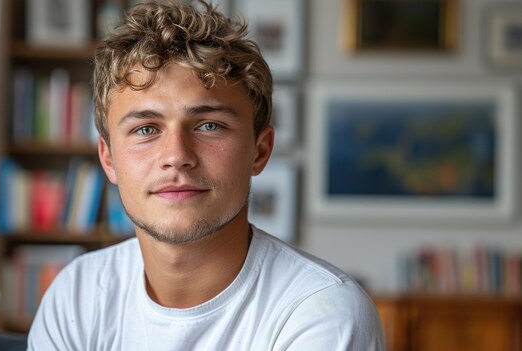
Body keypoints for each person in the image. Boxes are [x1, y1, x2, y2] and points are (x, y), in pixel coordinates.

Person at [28, 1, 384, 349]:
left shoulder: (321, 311)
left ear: (259, 151)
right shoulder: (77, 294)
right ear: (108, 159)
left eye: (209, 125)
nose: (176, 156)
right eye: (146, 130)